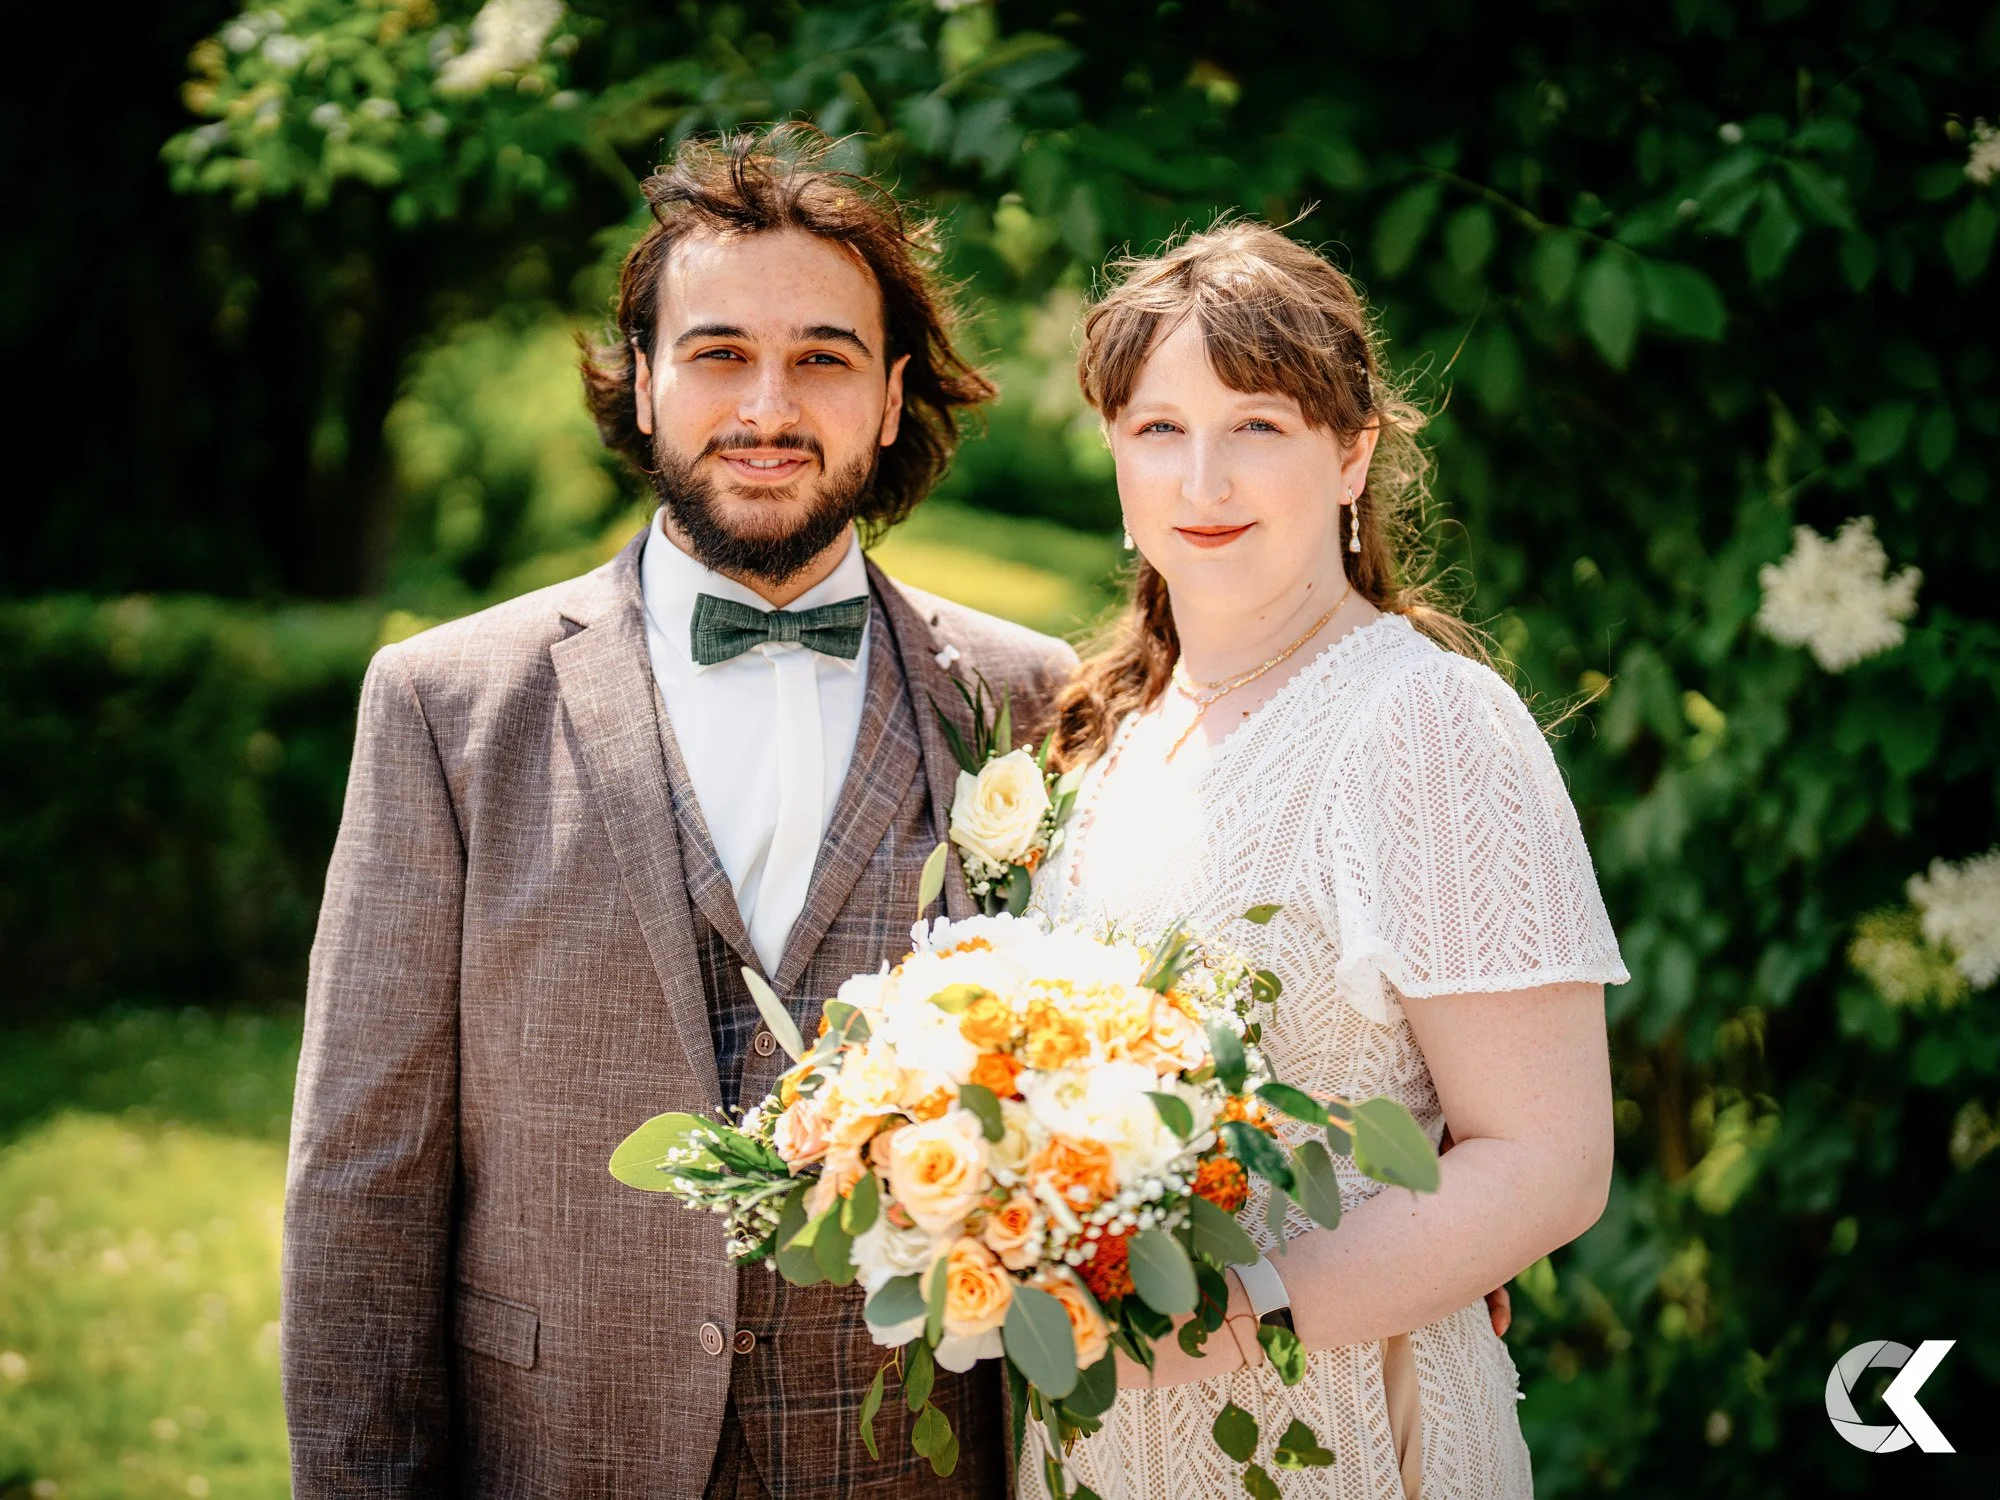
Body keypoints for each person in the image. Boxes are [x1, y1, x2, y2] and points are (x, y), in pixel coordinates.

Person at [281, 125, 1074, 1499]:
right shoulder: (448, 706)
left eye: (822, 358)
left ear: (892, 399)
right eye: (717, 354)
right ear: (642, 383)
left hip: (915, 1460)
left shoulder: (1023, 699)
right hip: (559, 1448)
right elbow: (365, 1179)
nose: (768, 405)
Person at [1031, 222, 1628, 1499]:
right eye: (1156, 430)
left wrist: (1220, 1322)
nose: (1203, 482)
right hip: (1089, 1455)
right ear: (1113, 454)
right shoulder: (1111, 729)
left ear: (1351, 452)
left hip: (1334, 1439)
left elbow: (1547, 1160)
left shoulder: (1427, 725)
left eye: (1256, 426)